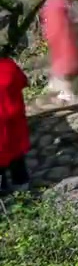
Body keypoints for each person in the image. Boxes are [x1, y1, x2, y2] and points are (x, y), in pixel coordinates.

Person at [0, 55, 30, 194]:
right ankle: (22, 186)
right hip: (15, 120)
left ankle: (3, 188)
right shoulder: (9, 65)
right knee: (17, 154)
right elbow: (23, 81)